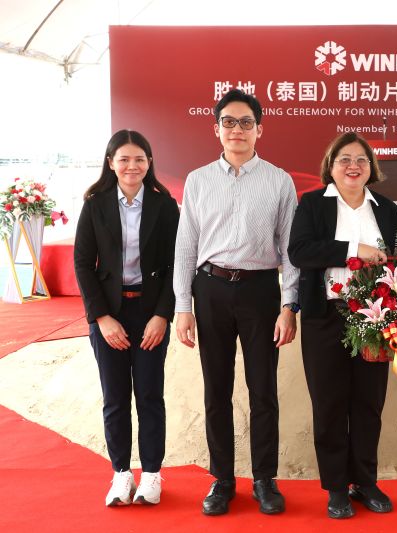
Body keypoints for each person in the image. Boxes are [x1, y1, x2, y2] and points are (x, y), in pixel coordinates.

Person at [173, 89, 300, 516]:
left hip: (261, 290)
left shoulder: (279, 180)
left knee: (263, 390)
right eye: (229, 122)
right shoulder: (198, 180)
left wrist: (289, 305)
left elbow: (291, 250)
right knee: (217, 389)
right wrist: (183, 306)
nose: (237, 130)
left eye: (246, 122)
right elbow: (186, 246)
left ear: (259, 129)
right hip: (210, 289)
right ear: (217, 129)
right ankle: (223, 479)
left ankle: (264, 478)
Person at [287, 132, 397, 519]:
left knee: (369, 403)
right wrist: (356, 250)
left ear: (371, 167)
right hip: (325, 316)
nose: (353, 166)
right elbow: (300, 251)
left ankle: (365, 481)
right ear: (331, 166)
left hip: (375, 317)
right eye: (344, 159)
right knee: (330, 403)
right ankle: (337, 487)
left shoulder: (386, 209)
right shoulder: (313, 204)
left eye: (361, 160)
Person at [74, 129, 179, 507]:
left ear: (149, 162)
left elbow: (176, 264)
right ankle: (121, 473)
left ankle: (151, 474)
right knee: (115, 397)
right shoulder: (95, 204)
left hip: (150, 314)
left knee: (150, 394)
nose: (132, 166)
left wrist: (162, 315)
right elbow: (83, 264)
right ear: (111, 163)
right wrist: (101, 317)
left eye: (139, 159)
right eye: (124, 159)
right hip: (110, 314)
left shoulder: (165, 205)